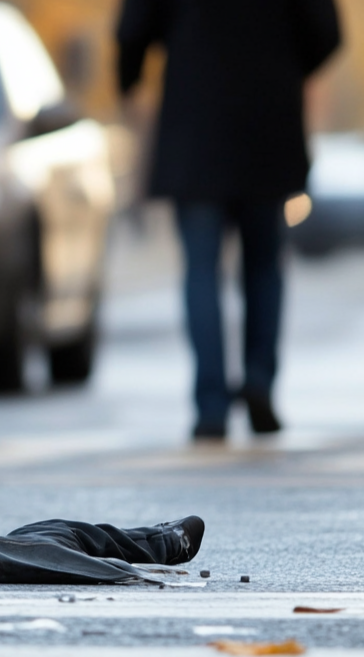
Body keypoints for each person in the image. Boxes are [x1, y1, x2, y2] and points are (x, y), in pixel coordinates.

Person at [116, 0, 341, 440]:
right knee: (264, 266)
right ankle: (259, 381)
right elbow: (327, 33)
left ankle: (211, 406)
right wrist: (284, 63)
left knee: (201, 271)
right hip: (269, 120)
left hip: (195, 123)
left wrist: (131, 82)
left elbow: (131, 29)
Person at [0, 515, 204, 584]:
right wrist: (128, 574)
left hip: (6, 543)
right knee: (42, 549)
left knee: (50, 533)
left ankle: (160, 542)